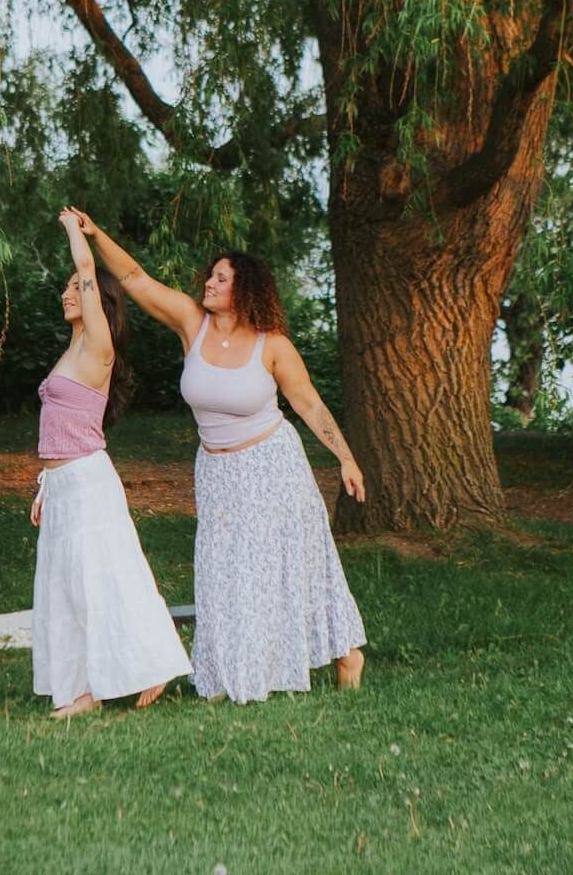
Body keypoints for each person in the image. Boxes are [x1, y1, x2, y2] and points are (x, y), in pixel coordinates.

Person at [68, 209, 367, 704]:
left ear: (244, 289)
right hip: (217, 471)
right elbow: (135, 277)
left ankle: (345, 653)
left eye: (221, 278)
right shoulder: (192, 324)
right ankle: (228, 672)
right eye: (211, 275)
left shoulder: (273, 347)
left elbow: (309, 403)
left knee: (295, 567)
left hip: (273, 467)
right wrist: (96, 235)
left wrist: (346, 459)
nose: (209, 282)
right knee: (222, 573)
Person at [29, 210, 191, 718]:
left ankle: (122, 676)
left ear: (97, 300)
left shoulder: (98, 345)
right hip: (63, 484)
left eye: (76, 289)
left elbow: (87, 269)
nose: (67, 293)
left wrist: (76, 230)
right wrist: (43, 485)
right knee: (67, 586)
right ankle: (83, 687)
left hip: (88, 482)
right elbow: (58, 426)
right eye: (66, 289)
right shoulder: (72, 347)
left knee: (104, 579)